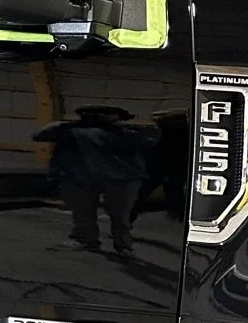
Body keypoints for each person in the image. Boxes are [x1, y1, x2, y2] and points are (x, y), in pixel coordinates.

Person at [34, 104, 158, 254]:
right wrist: (66, 125)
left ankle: (122, 245)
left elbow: (150, 142)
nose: (98, 117)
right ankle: (88, 240)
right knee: (83, 213)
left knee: (119, 215)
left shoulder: (126, 133)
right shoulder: (71, 130)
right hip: (81, 176)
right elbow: (39, 135)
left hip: (120, 178)